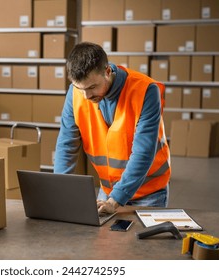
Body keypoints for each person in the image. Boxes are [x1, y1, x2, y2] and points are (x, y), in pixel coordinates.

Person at [54, 42, 171, 214]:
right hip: (108, 191)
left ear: (107, 71)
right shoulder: (76, 93)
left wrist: (115, 200)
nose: (86, 96)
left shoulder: (145, 91)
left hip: (148, 192)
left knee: (141, 241)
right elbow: (66, 145)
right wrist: (59, 190)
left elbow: (143, 152)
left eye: (92, 87)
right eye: (81, 89)